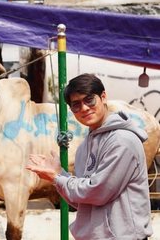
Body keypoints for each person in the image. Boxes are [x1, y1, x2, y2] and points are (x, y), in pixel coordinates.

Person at [26, 73, 152, 240]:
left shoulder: (122, 140)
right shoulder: (85, 146)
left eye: (89, 100)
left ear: (103, 97)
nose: (84, 108)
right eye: (76, 105)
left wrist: (57, 177)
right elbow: (83, 201)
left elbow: (98, 192)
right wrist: (60, 175)